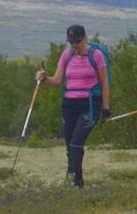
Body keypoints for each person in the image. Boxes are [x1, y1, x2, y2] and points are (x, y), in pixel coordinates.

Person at [36, 24, 110, 188]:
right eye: (71, 42)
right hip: (69, 104)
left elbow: (105, 83)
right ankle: (78, 183)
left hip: (89, 104)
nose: (74, 45)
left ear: (84, 38)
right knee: (71, 146)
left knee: (77, 143)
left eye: (77, 41)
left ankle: (69, 181)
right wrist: (44, 78)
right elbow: (57, 81)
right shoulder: (66, 55)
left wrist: (106, 108)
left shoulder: (96, 55)